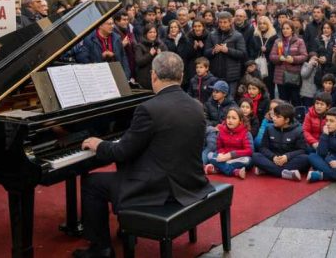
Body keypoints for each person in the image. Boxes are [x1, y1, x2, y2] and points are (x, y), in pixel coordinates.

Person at [75, 52, 214, 258]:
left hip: (158, 188)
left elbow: (121, 152)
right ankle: (125, 230)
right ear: (182, 75)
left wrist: (100, 144)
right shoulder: (196, 106)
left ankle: (100, 248)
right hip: (189, 180)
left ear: (153, 76)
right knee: (124, 170)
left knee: (92, 183)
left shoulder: (148, 109)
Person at [252, 103, 309, 181]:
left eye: (278, 117)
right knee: (255, 156)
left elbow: (302, 150)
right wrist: (273, 157)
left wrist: (287, 156)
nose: (274, 118)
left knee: (305, 158)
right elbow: (263, 148)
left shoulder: (298, 131)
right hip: (273, 159)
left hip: (288, 160)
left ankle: (268, 170)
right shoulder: (269, 128)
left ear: (287, 120)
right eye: (274, 115)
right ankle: (285, 173)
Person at [204, 107, 253, 180]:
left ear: (240, 121)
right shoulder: (222, 131)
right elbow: (219, 147)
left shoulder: (246, 133)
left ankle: (218, 168)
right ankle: (234, 171)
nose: (230, 120)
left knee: (248, 160)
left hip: (237, 158)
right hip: (223, 157)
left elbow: (249, 151)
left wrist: (231, 155)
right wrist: (221, 154)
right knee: (210, 155)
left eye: (234, 118)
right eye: (228, 117)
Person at [205, 12, 247, 95]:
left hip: (231, 76)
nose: (222, 24)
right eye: (220, 22)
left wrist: (227, 50)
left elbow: (242, 54)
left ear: (230, 22)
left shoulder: (237, 36)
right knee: (215, 98)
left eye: (225, 22)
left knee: (230, 100)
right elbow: (206, 52)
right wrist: (214, 50)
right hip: (215, 74)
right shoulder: (212, 35)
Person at [270, 21, 308, 107]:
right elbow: (272, 56)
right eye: (283, 28)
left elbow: (304, 56)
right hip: (280, 76)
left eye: (287, 28)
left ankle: (297, 118)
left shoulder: (299, 41)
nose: (285, 30)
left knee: (296, 100)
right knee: (283, 101)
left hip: (294, 76)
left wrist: (293, 59)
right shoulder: (277, 41)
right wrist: (279, 58)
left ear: (292, 30)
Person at [133, 24, 168, 91]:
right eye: (150, 32)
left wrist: (160, 56)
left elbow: (167, 61)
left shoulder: (161, 45)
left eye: (154, 32)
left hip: (159, 78)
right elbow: (139, 61)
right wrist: (150, 54)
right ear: (145, 34)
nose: (152, 34)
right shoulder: (139, 46)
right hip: (144, 80)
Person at [164, 20, 192, 87]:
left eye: (175, 27)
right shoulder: (165, 41)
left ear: (179, 29)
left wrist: (177, 41)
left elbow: (186, 55)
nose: (173, 29)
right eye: (171, 27)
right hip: (170, 72)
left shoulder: (185, 40)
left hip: (183, 72)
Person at [113, 10, 138, 83]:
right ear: (117, 21)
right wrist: (122, 45)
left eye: (127, 20)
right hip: (121, 67)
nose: (126, 22)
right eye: (124, 20)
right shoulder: (114, 34)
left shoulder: (128, 31)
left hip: (131, 65)